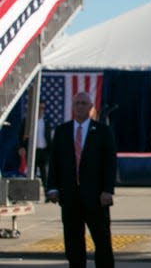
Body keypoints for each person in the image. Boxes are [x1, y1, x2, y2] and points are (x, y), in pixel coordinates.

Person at [47, 92, 117, 268]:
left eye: (84, 103)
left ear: (91, 107)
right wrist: (52, 188)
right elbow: (54, 161)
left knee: (102, 242)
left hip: (96, 198)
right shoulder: (62, 131)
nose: (80, 107)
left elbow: (110, 163)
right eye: (77, 103)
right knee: (73, 243)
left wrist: (108, 190)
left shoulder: (102, 131)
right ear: (72, 107)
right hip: (70, 197)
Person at [18, 102, 53, 186]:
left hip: (44, 151)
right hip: (31, 151)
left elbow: (49, 137)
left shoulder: (46, 121)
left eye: (43, 108)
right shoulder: (28, 121)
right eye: (39, 108)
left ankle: (46, 193)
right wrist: (21, 147)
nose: (41, 110)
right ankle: (30, 191)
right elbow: (20, 135)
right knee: (31, 173)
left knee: (44, 173)